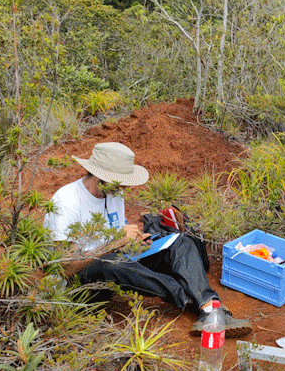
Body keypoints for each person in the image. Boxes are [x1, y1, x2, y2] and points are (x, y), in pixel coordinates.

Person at [44, 141, 252, 337]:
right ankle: (189, 298)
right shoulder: (67, 202)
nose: (124, 188)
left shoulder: (113, 193)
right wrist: (114, 243)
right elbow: (65, 269)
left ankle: (208, 306)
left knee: (179, 241)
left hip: (117, 258)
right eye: (120, 183)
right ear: (101, 178)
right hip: (82, 281)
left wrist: (135, 243)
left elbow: (119, 238)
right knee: (111, 262)